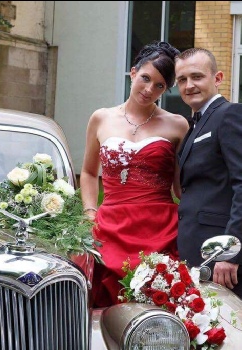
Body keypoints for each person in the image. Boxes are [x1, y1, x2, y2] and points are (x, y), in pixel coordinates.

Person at [80, 41, 189, 307]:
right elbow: (88, 172)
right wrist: (90, 214)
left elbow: (180, 188)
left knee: (161, 310)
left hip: (160, 229)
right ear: (132, 72)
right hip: (110, 229)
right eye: (145, 78)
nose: (149, 89)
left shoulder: (178, 125)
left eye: (160, 85)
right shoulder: (101, 118)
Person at [174, 48, 242, 329]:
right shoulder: (196, 125)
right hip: (202, 260)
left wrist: (229, 253)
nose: (189, 85)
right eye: (182, 79)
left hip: (229, 266)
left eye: (196, 76)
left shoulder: (232, 114)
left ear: (217, 78)